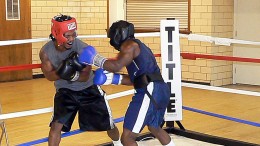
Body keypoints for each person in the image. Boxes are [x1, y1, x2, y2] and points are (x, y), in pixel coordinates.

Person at [79, 20, 175, 146]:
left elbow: (116, 66)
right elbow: (136, 79)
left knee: (128, 137)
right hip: (160, 89)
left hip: (149, 91)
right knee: (155, 127)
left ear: (118, 35)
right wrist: (113, 79)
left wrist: (94, 58)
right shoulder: (140, 47)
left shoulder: (129, 45)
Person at [39, 14, 122, 146]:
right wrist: (63, 71)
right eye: (67, 35)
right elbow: (49, 76)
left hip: (88, 89)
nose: (71, 39)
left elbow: (84, 76)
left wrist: (70, 74)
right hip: (65, 92)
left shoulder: (82, 48)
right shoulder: (46, 52)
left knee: (109, 124)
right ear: (57, 33)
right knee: (56, 126)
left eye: (74, 34)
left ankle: (118, 144)